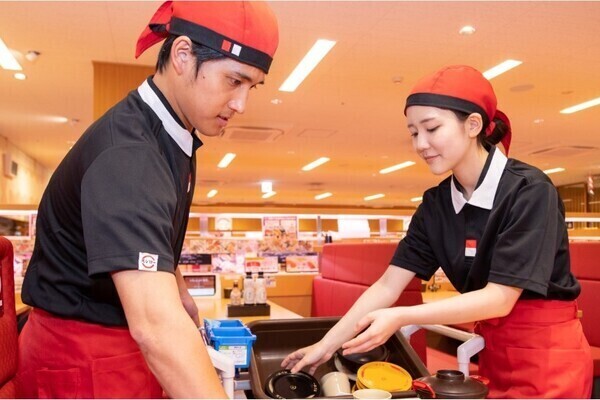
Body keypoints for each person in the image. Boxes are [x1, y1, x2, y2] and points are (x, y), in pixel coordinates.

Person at [16, 1, 278, 398]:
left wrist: (179, 293)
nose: (241, 104)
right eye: (233, 81)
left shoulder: (169, 136)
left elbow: (146, 248)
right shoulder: (130, 155)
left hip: (115, 350)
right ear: (183, 55)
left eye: (251, 87)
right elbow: (156, 327)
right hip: (84, 361)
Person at [282, 65, 593, 398]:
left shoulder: (529, 190)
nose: (421, 144)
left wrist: (401, 316)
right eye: (413, 132)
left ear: (473, 125)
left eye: (431, 128)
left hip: (549, 356)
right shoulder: (436, 204)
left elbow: (500, 298)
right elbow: (387, 285)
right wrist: (326, 345)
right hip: (494, 350)